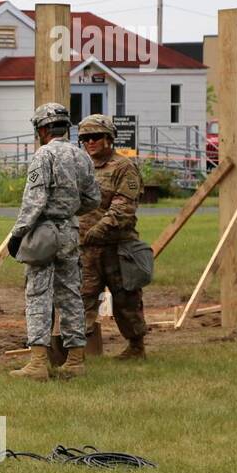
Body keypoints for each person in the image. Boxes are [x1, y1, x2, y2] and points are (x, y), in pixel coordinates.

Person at [8, 103, 100, 380]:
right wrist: (69, 212)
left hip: (44, 233)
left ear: (43, 129)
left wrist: (18, 233)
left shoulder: (43, 155)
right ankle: (75, 361)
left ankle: (37, 363)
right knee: (71, 294)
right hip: (70, 232)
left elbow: (34, 202)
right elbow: (93, 199)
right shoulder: (82, 157)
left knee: (38, 294)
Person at [77, 113, 149, 359]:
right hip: (87, 249)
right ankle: (76, 352)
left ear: (109, 139)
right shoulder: (81, 167)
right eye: (84, 138)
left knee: (126, 299)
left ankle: (136, 347)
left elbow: (124, 208)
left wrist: (97, 229)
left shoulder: (123, 167)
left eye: (95, 137)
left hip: (117, 247)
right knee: (82, 297)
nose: (90, 142)